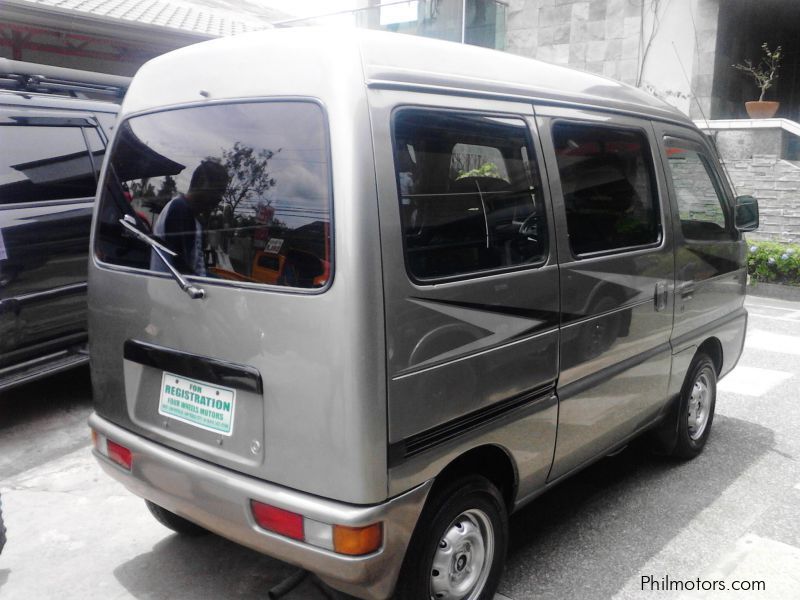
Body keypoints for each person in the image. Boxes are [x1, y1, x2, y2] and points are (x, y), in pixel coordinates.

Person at [150, 160, 229, 276]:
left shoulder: (195, 218)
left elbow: (196, 265)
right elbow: (182, 270)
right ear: (202, 182)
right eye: (218, 191)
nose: (219, 198)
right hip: (171, 291)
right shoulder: (179, 210)